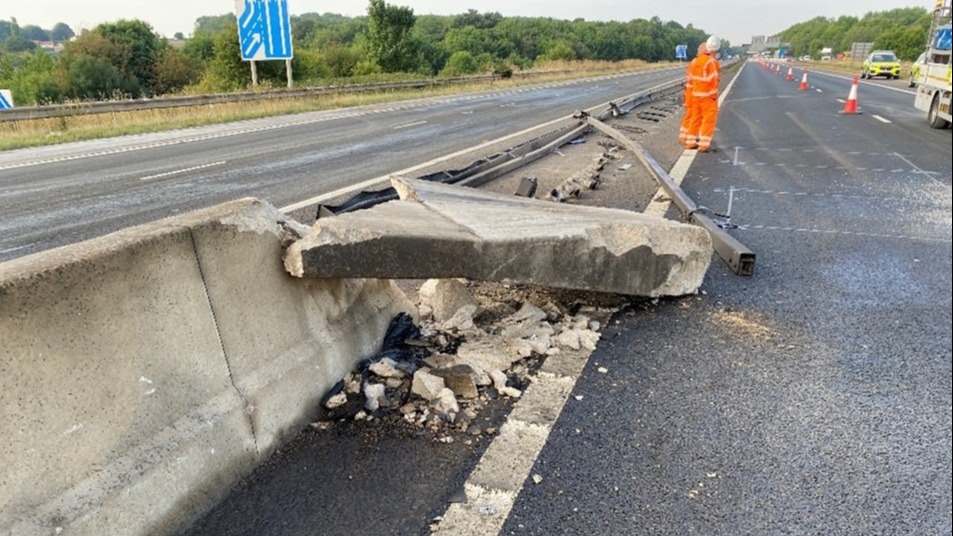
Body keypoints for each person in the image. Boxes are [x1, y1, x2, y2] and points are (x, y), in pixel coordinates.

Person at [686, 36, 722, 152]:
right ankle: (704, 145)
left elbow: (693, 78)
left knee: (695, 119)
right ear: (716, 48)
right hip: (707, 97)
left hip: (696, 95)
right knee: (708, 120)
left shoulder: (698, 60)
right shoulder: (712, 62)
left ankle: (690, 142)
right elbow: (714, 81)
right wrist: (713, 96)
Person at [678, 43, 708, 146]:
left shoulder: (694, 61)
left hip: (690, 92)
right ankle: (689, 137)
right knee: (694, 116)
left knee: (690, 115)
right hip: (694, 93)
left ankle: (685, 136)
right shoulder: (699, 62)